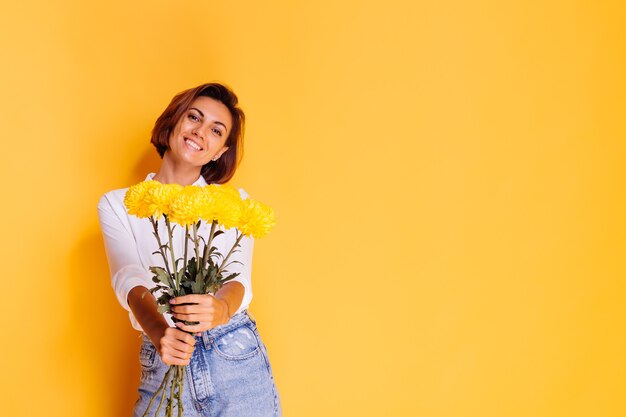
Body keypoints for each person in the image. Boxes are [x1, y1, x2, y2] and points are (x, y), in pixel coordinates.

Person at [97, 82, 282, 417]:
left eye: (216, 130)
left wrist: (221, 309)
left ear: (219, 151)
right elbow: (129, 277)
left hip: (233, 354)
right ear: (173, 121)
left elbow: (238, 278)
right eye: (193, 117)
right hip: (164, 357)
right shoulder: (117, 204)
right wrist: (159, 331)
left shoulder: (231, 203)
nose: (200, 132)